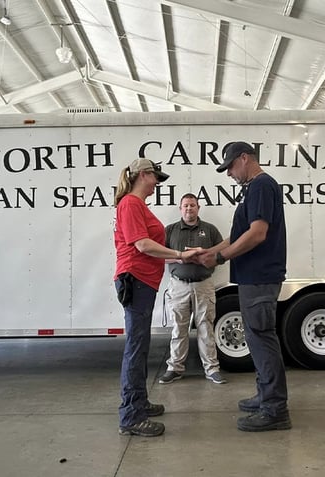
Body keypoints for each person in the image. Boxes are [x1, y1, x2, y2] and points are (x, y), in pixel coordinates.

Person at [199, 141, 291, 432]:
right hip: (252, 277)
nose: (228, 174)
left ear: (243, 158)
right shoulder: (252, 189)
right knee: (255, 338)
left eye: (229, 168)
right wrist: (209, 253)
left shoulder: (263, 185)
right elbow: (238, 235)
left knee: (262, 340)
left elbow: (258, 234)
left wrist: (220, 257)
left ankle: (275, 410)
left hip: (261, 276)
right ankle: (265, 395)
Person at [113, 157, 199, 437]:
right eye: (155, 178)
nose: (157, 184)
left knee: (141, 345)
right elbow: (142, 244)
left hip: (142, 282)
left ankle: (139, 403)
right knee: (136, 348)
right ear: (143, 175)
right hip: (135, 280)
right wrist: (179, 255)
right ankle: (131, 416)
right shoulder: (130, 204)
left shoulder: (137, 205)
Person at [159, 193, 227, 385]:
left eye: (192, 205)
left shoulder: (210, 230)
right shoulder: (170, 230)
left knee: (206, 327)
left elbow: (221, 254)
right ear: (180, 208)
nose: (189, 209)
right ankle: (175, 368)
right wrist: (180, 257)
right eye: (185, 206)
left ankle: (212, 369)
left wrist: (203, 257)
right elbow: (158, 256)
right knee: (179, 329)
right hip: (178, 285)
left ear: (198, 208)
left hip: (204, 284)